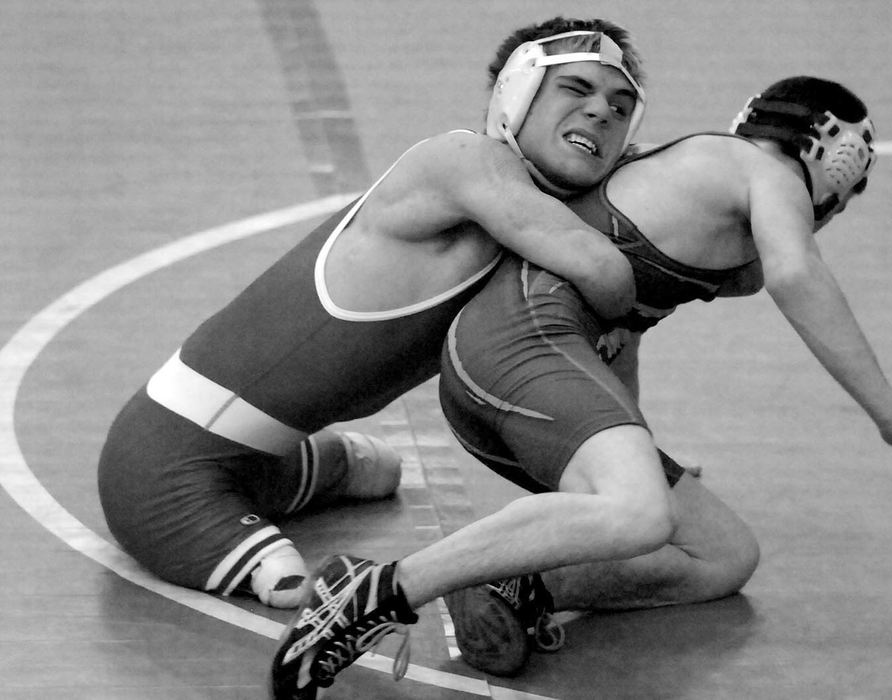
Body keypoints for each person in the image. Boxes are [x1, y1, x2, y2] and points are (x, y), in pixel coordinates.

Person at [269, 76, 892, 695]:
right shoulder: (758, 173)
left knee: (720, 556)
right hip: (517, 346)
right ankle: (376, 590)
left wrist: (629, 442)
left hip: (517, 368)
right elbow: (798, 275)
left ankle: (512, 584)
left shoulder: (709, 191)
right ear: (833, 158)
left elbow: (627, 327)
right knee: (640, 516)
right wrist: (891, 415)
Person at [97, 16, 646, 611]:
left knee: (380, 471)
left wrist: (635, 456)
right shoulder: (464, 162)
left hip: (267, 458)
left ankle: (291, 477)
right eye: (575, 89)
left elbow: (602, 361)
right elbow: (609, 277)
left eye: (620, 108)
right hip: (158, 471)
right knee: (289, 587)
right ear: (516, 92)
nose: (600, 113)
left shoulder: (537, 220)